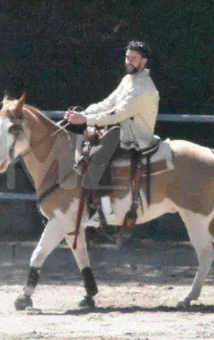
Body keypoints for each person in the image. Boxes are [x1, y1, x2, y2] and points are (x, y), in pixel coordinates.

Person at [65, 40, 159, 226]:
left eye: (133, 58)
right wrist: (84, 114)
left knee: (98, 154)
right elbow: (109, 103)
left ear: (143, 61)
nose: (129, 61)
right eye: (127, 57)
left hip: (136, 137)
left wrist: (85, 120)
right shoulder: (128, 80)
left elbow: (118, 113)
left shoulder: (144, 87)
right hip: (121, 128)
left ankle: (105, 212)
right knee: (91, 143)